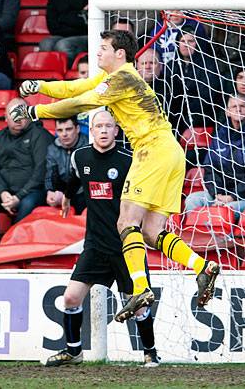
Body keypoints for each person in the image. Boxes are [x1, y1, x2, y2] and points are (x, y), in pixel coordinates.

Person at [13, 29, 220, 322]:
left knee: (125, 221)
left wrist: (37, 113)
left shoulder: (122, 78)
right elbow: (76, 89)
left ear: (119, 54)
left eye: (103, 48)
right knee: (151, 231)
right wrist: (40, 85)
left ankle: (140, 288)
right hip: (171, 153)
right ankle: (202, 267)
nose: (97, 53)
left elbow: (80, 104)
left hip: (151, 150)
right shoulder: (117, 78)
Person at [42, 110, 159, 367]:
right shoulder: (80, 156)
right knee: (71, 298)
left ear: (117, 131)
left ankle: (150, 352)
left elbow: (147, 195)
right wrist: (68, 197)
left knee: (137, 305)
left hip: (125, 246)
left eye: (109, 126)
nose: (104, 130)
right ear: (91, 131)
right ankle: (74, 351)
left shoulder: (130, 160)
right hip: (94, 245)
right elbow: (74, 180)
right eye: (99, 126)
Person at [0, 98, 52, 243]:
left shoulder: (40, 135)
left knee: (28, 203)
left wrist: (19, 197)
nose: (18, 118)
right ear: (5, 117)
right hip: (7, 193)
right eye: (13, 113)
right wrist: (3, 193)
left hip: (34, 191)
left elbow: (41, 171)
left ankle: (15, 246)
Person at [185, 95, 245, 220]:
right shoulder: (219, 135)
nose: (238, 109)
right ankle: (199, 237)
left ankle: (225, 239)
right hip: (219, 195)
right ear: (227, 111)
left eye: (242, 106)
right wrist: (217, 194)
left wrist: (232, 196)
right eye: (234, 106)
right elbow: (210, 169)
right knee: (192, 200)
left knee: (227, 210)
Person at [39, 0, 97, 64]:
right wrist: (77, 17)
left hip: (86, 36)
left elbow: (89, 25)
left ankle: (70, 75)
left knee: (63, 45)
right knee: (45, 43)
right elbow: (52, 25)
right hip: (63, 35)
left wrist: (63, 18)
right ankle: (53, 76)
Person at [45, 117, 87, 214]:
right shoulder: (52, 148)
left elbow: (86, 179)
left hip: (81, 192)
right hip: (62, 191)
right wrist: (50, 191)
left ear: (77, 129)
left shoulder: (88, 146)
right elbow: (50, 174)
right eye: (60, 130)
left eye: (68, 129)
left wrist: (67, 195)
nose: (64, 134)